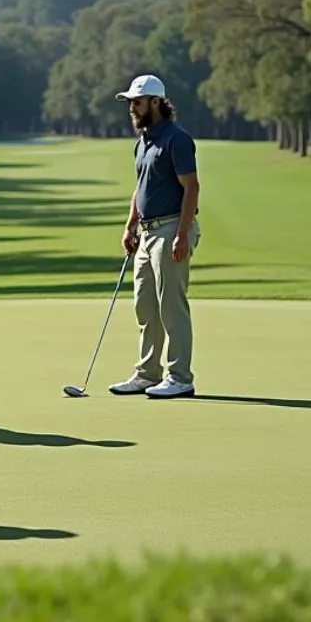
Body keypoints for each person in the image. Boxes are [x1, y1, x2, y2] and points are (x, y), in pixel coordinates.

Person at [108, 74, 201, 399]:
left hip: (172, 227)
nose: (131, 108)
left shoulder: (176, 139)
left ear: (156, 102)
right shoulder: (143, 141)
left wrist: (181, 234)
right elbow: (140, 189)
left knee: (170, 305)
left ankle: (180, 377)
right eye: (130, 103)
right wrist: (129, 225)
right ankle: (148, 373)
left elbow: (191, 187)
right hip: (147, 232)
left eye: (137, 102)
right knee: (144, 305)